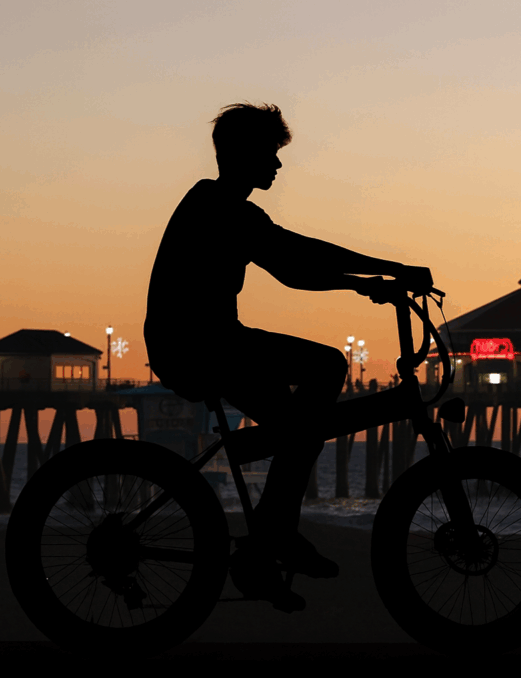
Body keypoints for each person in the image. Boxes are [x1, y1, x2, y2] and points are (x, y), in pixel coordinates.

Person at [144, 103, 432, 601]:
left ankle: (263, 550)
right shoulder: (220, 207)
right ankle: (274, 535)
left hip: (209, 343)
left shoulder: (227, 207)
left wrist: (366, 284)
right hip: (200, 346)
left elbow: (295, 266)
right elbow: (298, 258)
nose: (278, 165)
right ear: (242, 154)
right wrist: (388, 271)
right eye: (271, 154)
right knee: (324, 367)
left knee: (299, 426)